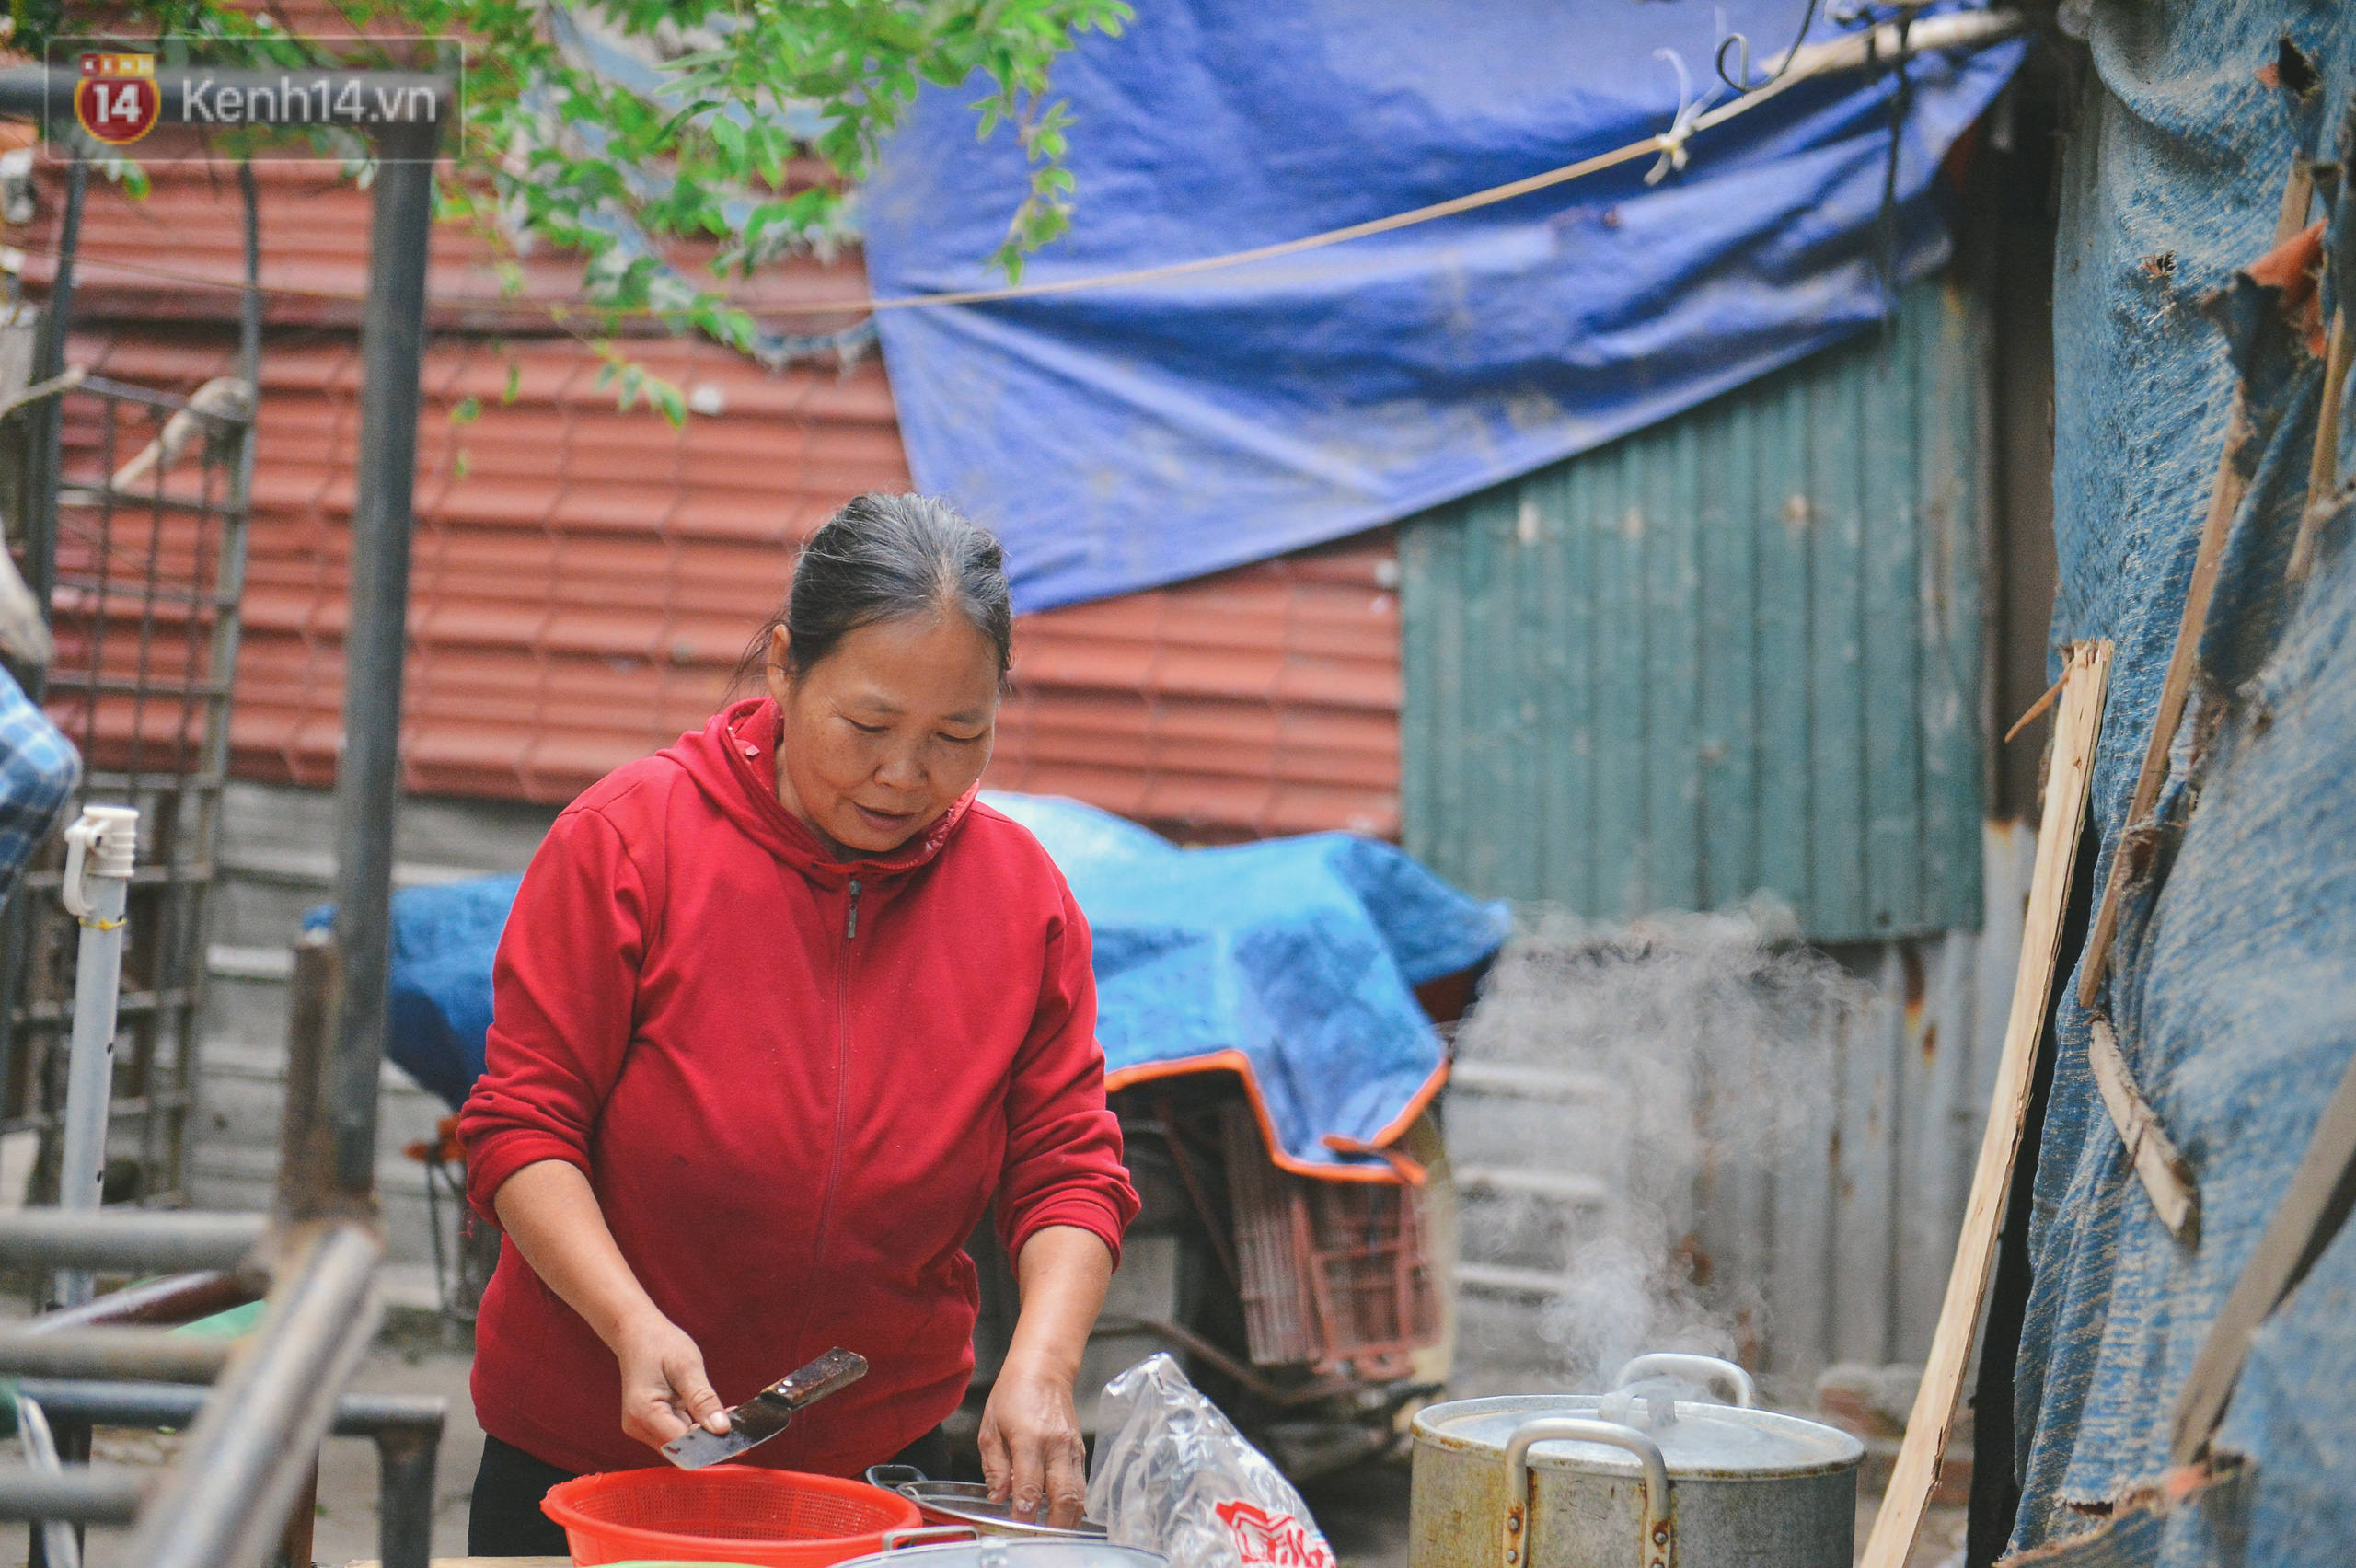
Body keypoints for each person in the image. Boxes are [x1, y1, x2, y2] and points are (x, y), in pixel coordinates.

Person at [459, 493, 1138, 1555]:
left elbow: (1067, 1165)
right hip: (590, 1457)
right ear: (784, 667)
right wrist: (630, 1324)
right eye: (867, 727)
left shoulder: (1021, 896)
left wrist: (1043, 1367)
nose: (905, 775)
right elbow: (522, 1129)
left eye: (959, 735)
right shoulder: (628, 843)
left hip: (870, 1474)